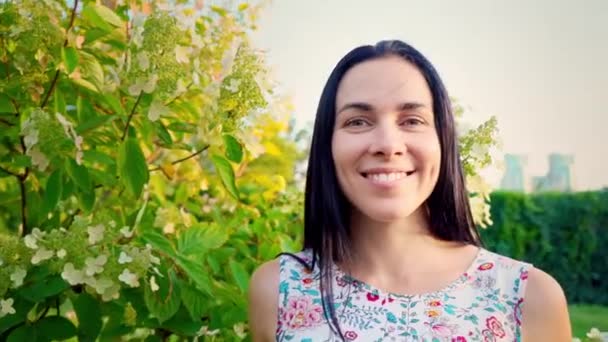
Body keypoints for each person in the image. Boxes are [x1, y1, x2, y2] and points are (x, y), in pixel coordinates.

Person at [248, 40, 571, 342]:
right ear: (327, 144)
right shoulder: (278, 289)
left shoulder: (528, 297)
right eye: (358, 121)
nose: (388, 145)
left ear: (442, 139)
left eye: (412, 120)